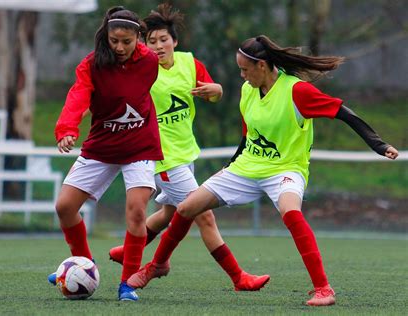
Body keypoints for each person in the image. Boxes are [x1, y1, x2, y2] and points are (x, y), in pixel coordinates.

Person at [129, 35, 399, 306]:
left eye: (245, 69)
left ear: (262, 66)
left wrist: (378, 144)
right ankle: (157, 265)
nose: (242, 75)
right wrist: (231, 165)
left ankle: (324, 289)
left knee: (291, 212)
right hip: (247, 166)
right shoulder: (248, 90)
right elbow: (248, 136)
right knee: (187, 208)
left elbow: (343, 112)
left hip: (286, 168)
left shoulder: (296, 91)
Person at [109, 3, 269, 292]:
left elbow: (213, 93)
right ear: (143, 46)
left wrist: (216, 90)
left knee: (171, 213)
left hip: (186, 153)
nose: (157, 46)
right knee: (203, 215)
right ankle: (238, 277)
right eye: (151, 41)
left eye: (163, 40)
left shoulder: (188, 63)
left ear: (175, 41)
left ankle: (129, 250)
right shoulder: (141, 69)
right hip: (163, 159)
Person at [46, 6, 163, 302]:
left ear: (139, 37)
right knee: (64, 207)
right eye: (114, 41)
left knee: (137, 210)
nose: (120, 47)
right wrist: (67, 129)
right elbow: (78, 95)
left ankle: (128, 284)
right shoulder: (92, 64)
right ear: (106, 37)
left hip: (140, 146)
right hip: (102, 145)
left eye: (127, 41)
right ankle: (84, 267)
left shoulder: (149, 61)